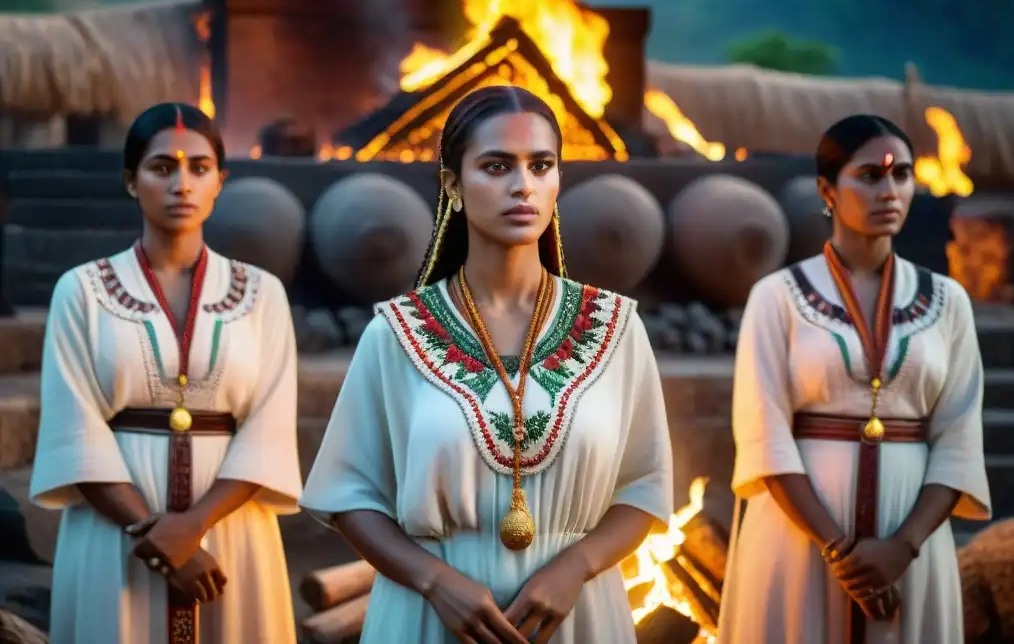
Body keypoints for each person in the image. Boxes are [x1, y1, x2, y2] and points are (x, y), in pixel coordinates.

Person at [299, 85, 674, 644]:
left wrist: (575, 568)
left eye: (540, 165)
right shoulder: (398, 333)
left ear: (557, 182)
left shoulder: (615, 329)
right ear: (452, 185)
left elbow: (644, 487)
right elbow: (349, 494)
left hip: (576, 617)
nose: (522, 185)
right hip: (428, 618)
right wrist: (432, 580)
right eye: (496, 166)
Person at [29, 103, 302, 644]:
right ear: (132, 182)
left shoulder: (262, 293)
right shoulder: (81, 291)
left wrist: (190, 528)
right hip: (116, 536)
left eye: (199, 168)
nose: (182, 184)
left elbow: (268, 430)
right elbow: (73, 429)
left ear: (220, 181)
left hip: (231, 531)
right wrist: (153, 532)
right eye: (161, 168)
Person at [718, 114, 991, 644]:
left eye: (902, 175)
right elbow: (763, 436)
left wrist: (901, 548)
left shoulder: (948, 301)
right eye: (869, 175)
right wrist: (838, 552)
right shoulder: (778, 296)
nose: (889, 190)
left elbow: (959, 436)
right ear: (827, 189)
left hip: (910, 542)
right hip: (799, 540)